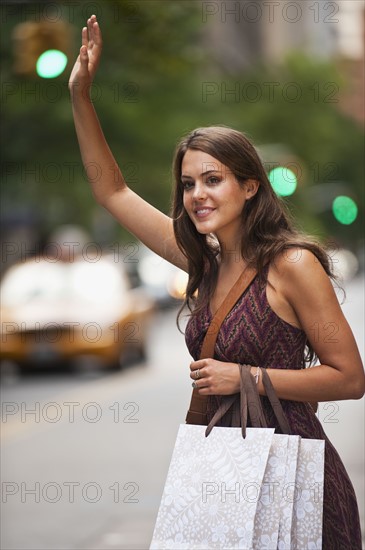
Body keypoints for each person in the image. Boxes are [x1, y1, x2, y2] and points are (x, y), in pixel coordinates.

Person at [69, 15, 365, 548]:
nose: (198, 195)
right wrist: (81, 96)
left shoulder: (292, 264)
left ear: (250, 186)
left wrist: (243, 377)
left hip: (290, 475)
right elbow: (112, 191)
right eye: (188, 184)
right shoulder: (201, 262)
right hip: (218, 468)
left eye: (213, 180)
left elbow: (349, 378)